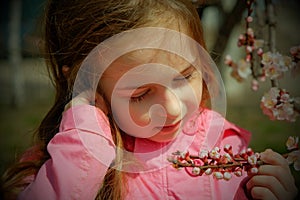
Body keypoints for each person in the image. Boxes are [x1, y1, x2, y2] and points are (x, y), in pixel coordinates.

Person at [1, 0, 298, 199]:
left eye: (184, 76)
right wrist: (83, 144)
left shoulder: (224, 147)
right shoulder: (58, 161)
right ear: (87, 83)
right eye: (141, 94)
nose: (171, 108)